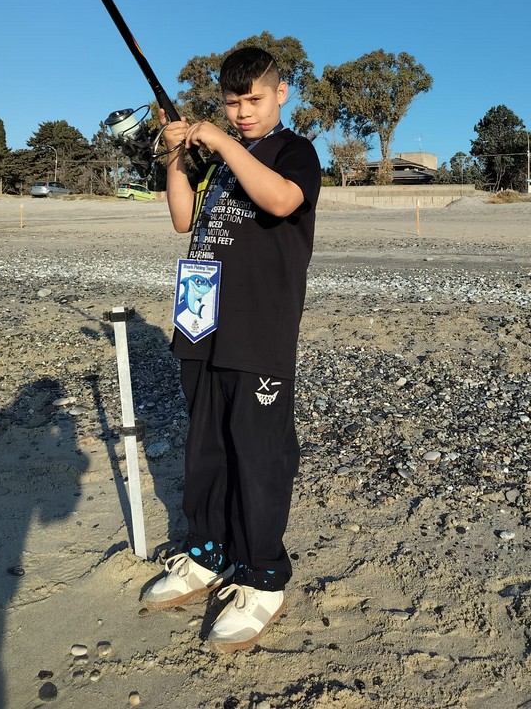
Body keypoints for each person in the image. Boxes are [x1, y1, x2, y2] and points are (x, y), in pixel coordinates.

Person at [143, 46, 321, 652]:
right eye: (231, 102)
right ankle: (205, 552)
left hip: (258, 327)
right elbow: (181, 217)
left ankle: (262, 575)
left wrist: (219, 141)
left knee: (259, 452)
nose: (243, 111)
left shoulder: (294, 151)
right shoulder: (217, 164)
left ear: (281, 93)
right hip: (199, 317)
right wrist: (177, 153)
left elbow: (281, 201)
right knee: (205, 443)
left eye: (254, 99)